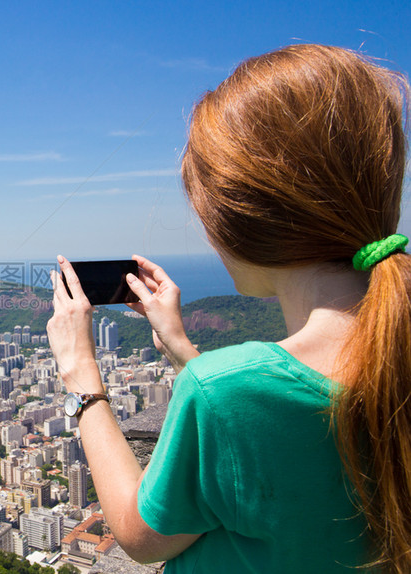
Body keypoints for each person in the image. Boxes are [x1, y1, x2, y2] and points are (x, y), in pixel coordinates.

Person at [46, 44, 410, 573]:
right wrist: (180, 349)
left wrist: (80, 373)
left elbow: (139, 536)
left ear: (237, 219)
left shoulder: (224, 390)